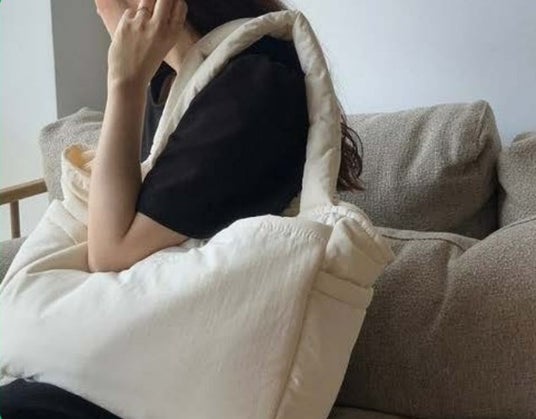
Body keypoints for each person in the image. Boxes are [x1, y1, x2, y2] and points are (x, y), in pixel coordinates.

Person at [0, 0, 364, 416]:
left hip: (147, 385)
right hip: (113, 379)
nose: (97, 9)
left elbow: (111, 253)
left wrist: (124, 83)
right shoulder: (174, 85)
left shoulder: (255, 82)